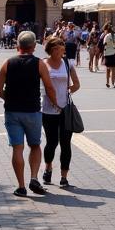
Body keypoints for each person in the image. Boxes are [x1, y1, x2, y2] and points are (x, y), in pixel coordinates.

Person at [0, 31, 58, 197]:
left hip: (12, 112)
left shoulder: (7, 63)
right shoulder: (39, 64)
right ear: (34, 47)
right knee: (35, 145)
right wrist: (55, 103)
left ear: (17, 46)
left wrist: (9, 99)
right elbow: (49, 87)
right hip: (33, 111)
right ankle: (34, 177)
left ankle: (21, 187)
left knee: (17, 148)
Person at [40, 37, 80, 188]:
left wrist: (66, 91)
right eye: (60, 48)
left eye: (63, 48)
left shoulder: (67, 63)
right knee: (51, 142)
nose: (63, 51)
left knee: (65, 143)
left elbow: (76, 84)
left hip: (65, 109)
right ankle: (48, 167)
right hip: (48, 110)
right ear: (53, 49)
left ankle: (64, 176)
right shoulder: (43, 64)